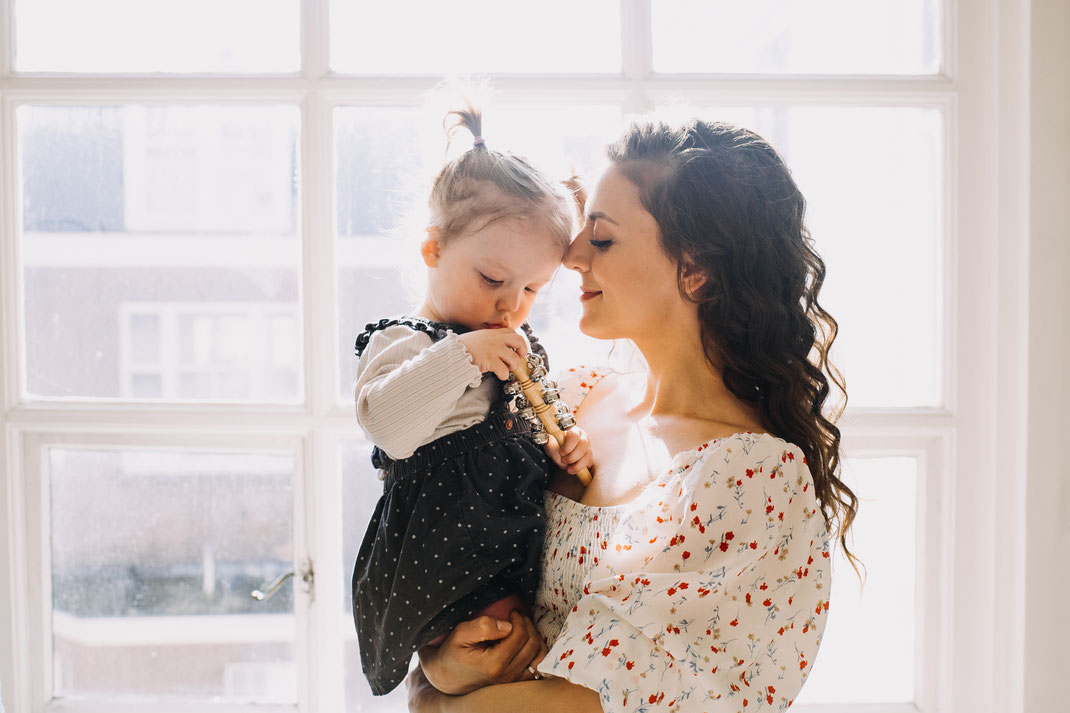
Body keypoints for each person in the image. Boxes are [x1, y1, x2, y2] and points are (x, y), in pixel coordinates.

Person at [407, 119, 859, 712]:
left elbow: (598, 703)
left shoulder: (750, 478)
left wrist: (437, 705)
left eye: (602, 238)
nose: (569, 256)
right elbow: (437, 564)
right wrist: (438, 665)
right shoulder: (562, 397)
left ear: (695, 270)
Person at [351, 105, 595, 695]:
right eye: (493, 280)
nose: (510, 306)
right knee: (479, 668)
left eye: (532, 288)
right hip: (441, 565)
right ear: (432, 249)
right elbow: (387, 423)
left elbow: (543, 423)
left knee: (518, 664)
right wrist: (463, 356)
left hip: (511, 553)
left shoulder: (520, 349)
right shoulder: (406, 342)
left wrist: (564, 449)